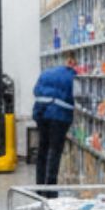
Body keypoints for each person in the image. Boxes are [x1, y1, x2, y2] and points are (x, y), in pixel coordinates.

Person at [31, 53, 77, 186]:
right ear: (73, 63)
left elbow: (35, 90)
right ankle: (50, 189)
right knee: (54, 151)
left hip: (41, 113)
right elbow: (78, 96)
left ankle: (39, 186)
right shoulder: (73, 76)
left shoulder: (47, 72)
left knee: (43, 149)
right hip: (59, 116)